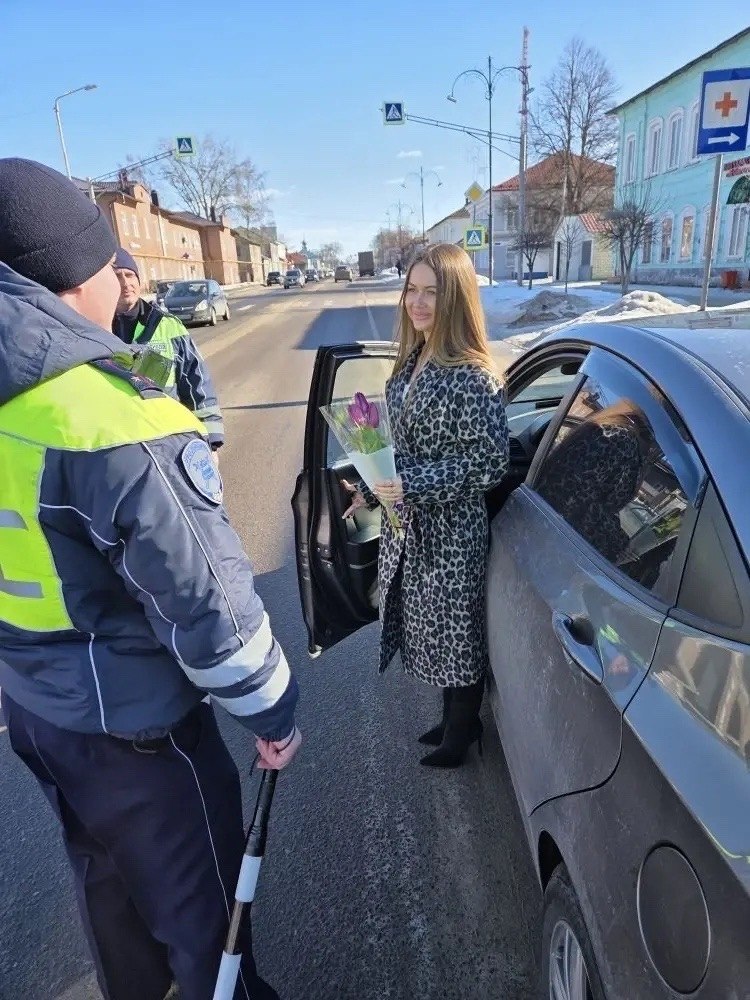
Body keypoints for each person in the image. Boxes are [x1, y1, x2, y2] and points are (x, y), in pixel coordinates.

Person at [0, 158, 301, 1000]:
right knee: (210, 931)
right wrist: (271, 710)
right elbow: (208, 603)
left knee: (107, 890)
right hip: (140, 735)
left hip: (37, 714)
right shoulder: (101, 415)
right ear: (77, 276)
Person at [344, 243, 509, 768]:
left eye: (431, 292)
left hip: (452, 533)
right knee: (431, 632)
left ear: (455, 298)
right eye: (411, 290)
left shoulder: (471, 375)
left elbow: (487, 464)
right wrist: (372, 483)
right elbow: (400, 451)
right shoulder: (411, 360)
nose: (417, 303)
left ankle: (461, 734)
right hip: (410, 527)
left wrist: (408, 482)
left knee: (456, 636)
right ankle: (452, 718)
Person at [112, 248, 225, 451]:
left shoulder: (167, 325)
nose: (125, 283)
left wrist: (211, 440)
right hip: (120, 446)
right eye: (116, 276)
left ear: (138, 279)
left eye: (129, 275)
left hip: (168, 441)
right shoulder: (92, 330)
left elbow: (196, 381)